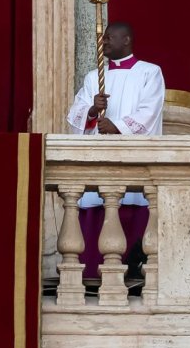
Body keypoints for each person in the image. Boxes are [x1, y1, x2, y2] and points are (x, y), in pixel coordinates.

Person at [64, 21, 165, 279]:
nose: (104, 42)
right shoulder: (94, 77)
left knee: (131, 226)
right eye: (103, 38)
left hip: (134, 164)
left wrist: (117, 126)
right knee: (94, 229)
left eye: (109, 37)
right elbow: (75, 114)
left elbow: (148, 113)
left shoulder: (149, 73)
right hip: (99, 163)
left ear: (127, 39)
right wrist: (92, 110)